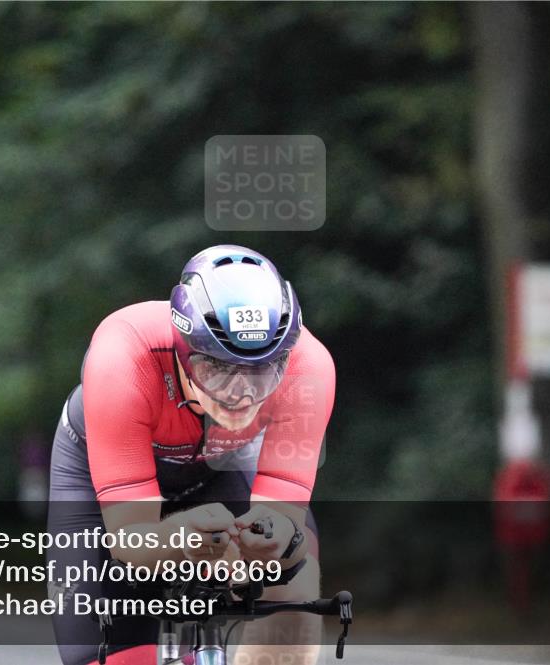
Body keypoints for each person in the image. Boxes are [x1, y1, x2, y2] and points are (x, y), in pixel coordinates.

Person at [48, 244, 336, 665]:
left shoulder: (308, 368)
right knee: (108, 651)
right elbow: (130, 539)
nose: (241, 394)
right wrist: (183, 536)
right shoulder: (123, 358)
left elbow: (285, 519)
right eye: (217, 369)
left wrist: (276, 538)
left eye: (261, 371)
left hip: (221, 466)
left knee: (295, 577)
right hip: (97, 474)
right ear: (182, 353)